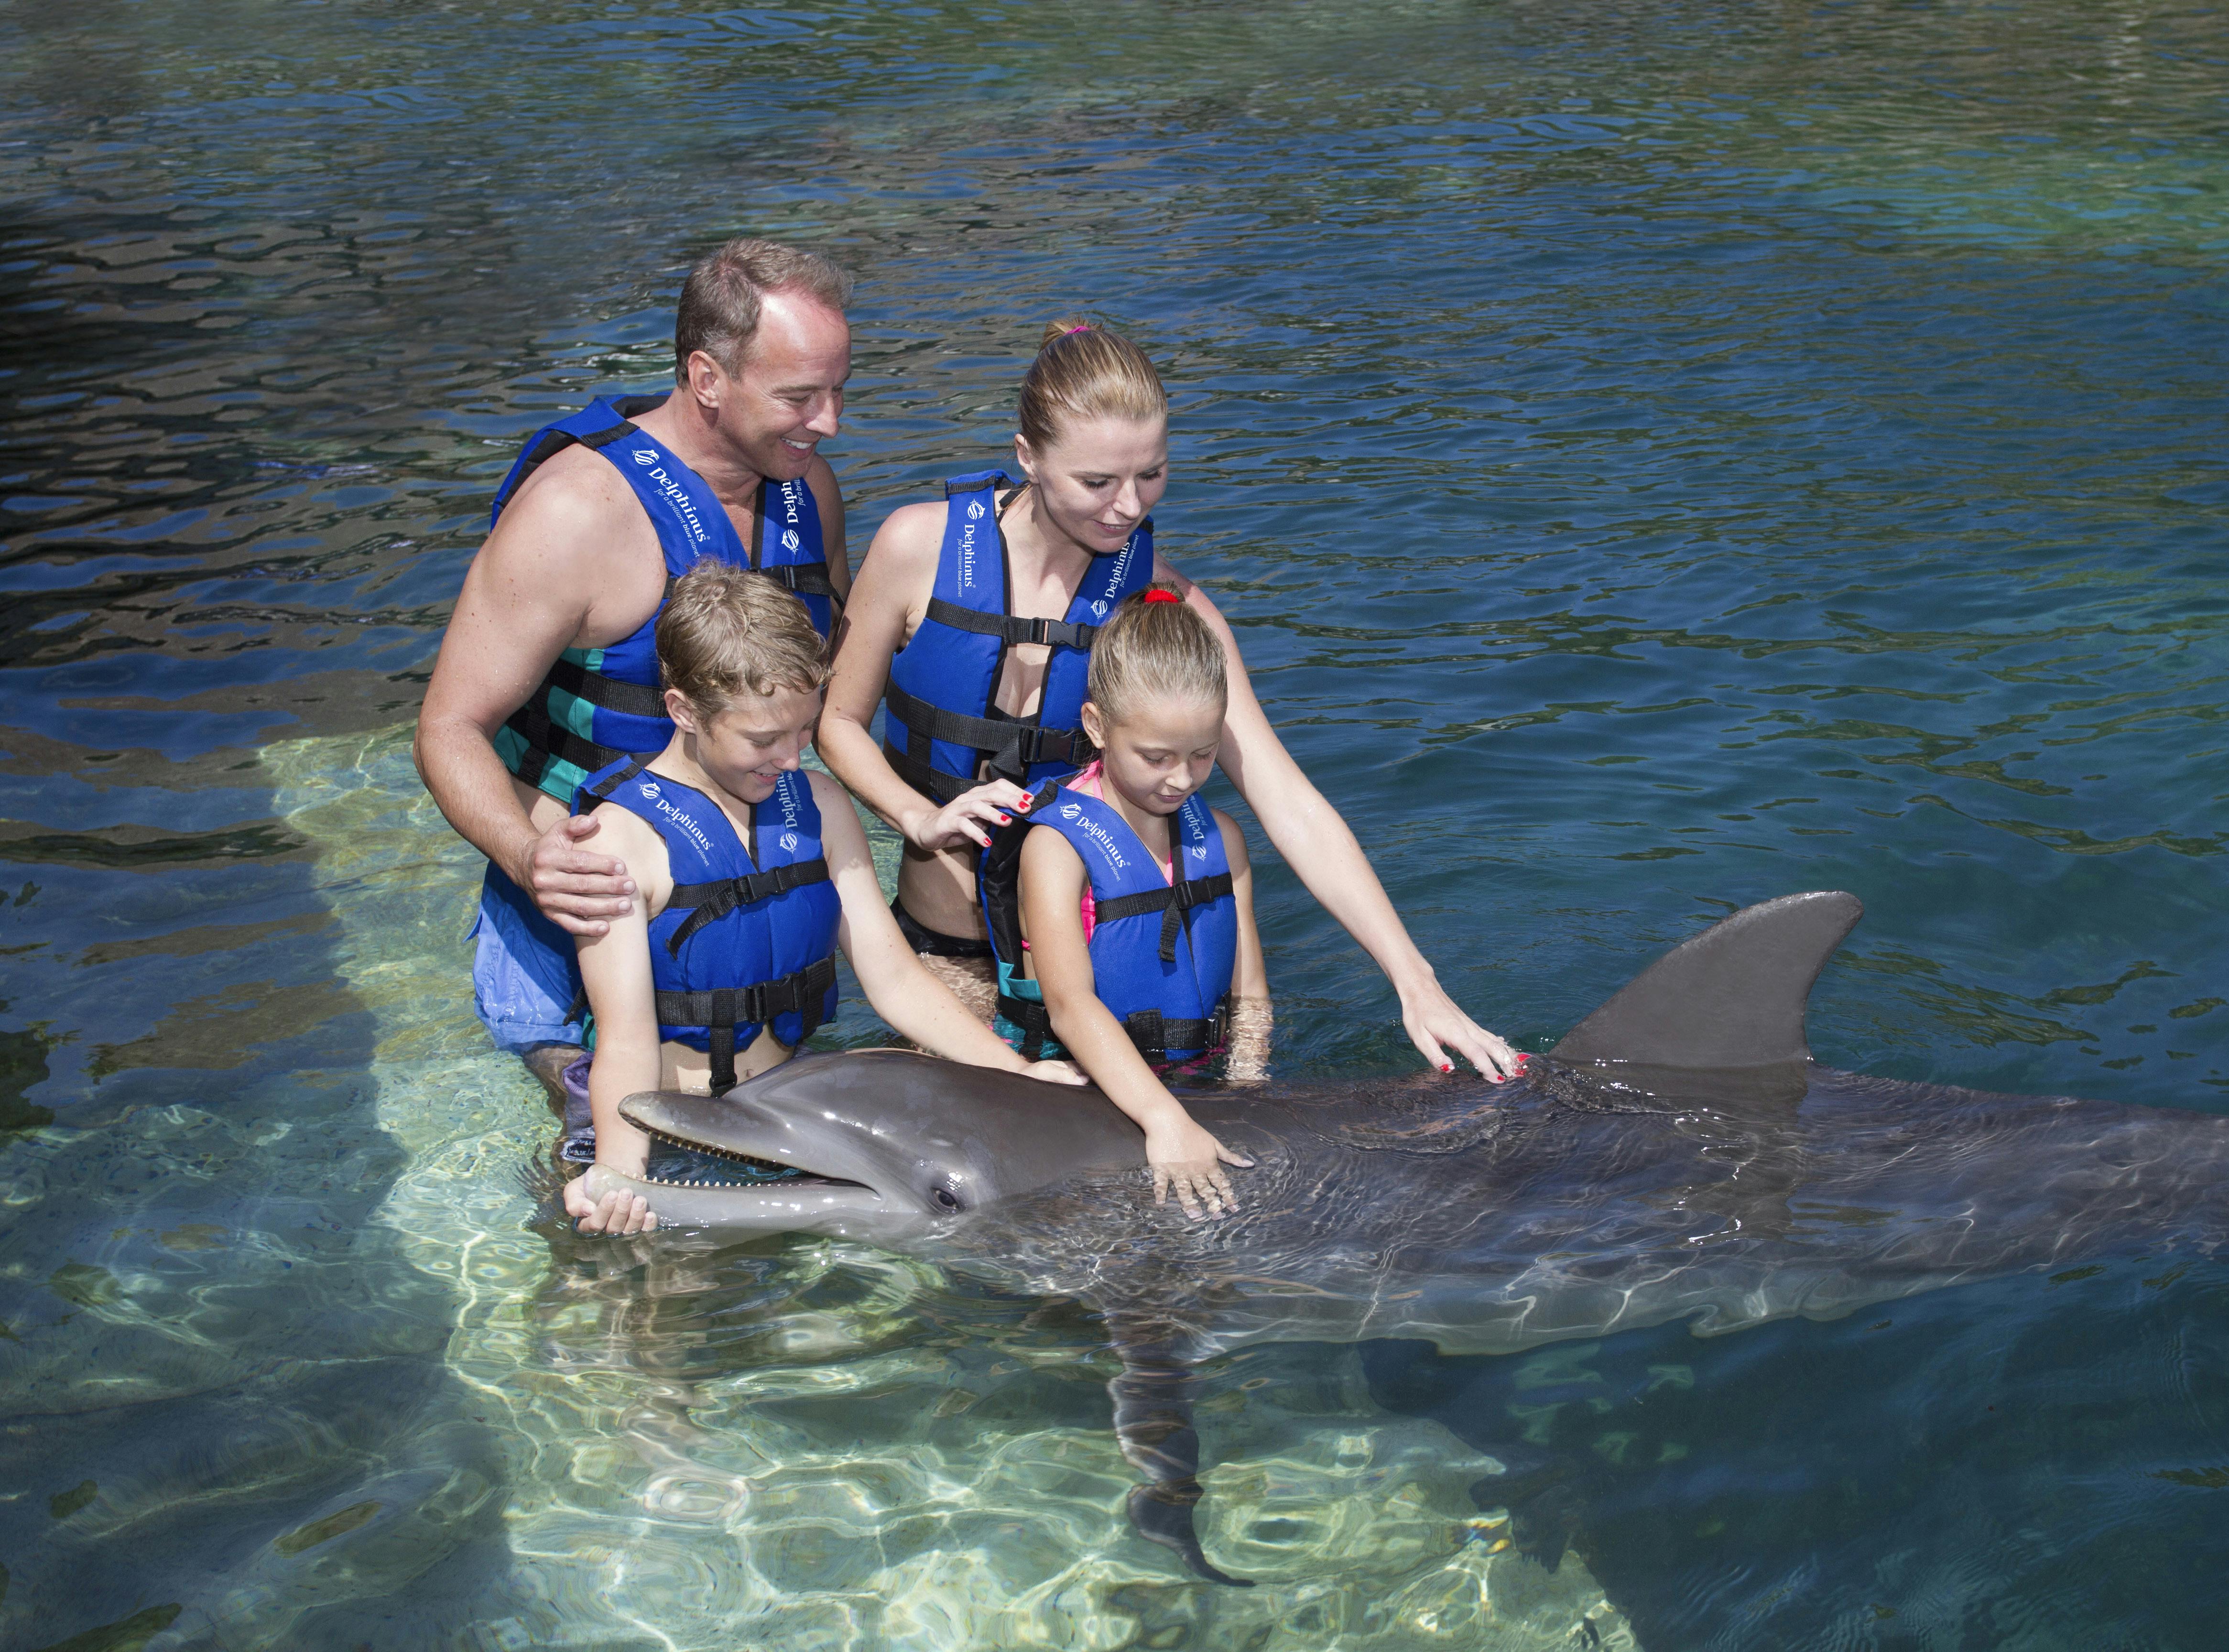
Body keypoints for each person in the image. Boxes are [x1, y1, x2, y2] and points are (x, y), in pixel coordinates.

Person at [817, 319, 1524, 1083]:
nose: (1128, 508)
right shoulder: (915, 548)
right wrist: (917, 817)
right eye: (1098, 482)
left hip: (1097, 964)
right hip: (948, 948)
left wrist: (1415, 982)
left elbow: (1289, 801)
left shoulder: (1163, 606)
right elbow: (837, 722)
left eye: (1150, 475)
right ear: (1028, 456)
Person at [415, 239, 853, 1097]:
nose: (830, 421)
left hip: (748, 907)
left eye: (839, 390)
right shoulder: (577, 515)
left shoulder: (807, 490)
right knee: (604, 1190)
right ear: (706, 377)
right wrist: (527, 854)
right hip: (590, 912)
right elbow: (446, 727)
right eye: (800, 396)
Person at [562, 561, 1082, 1236]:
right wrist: (624, 1179)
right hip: (662, 1124)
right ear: (684, 711)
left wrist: (1016, 1075)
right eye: (762, 739)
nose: (790, 759)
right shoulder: (614, 844)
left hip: (780, 1125)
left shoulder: (820, 805)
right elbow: (626, 1041)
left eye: (803, 731)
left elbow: (894, 977)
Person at [977, 587, 1270, 1217]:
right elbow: (1069, 1006)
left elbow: (1249, 992)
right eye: (1157, 757)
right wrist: (1164, 1119)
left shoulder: (1222, 838)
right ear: (1097, 726)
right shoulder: (1057, 850)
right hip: (1077, 1096)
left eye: (1203, 754)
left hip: (1199, 1080)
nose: (1182, 779)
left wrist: (1250, 1089)